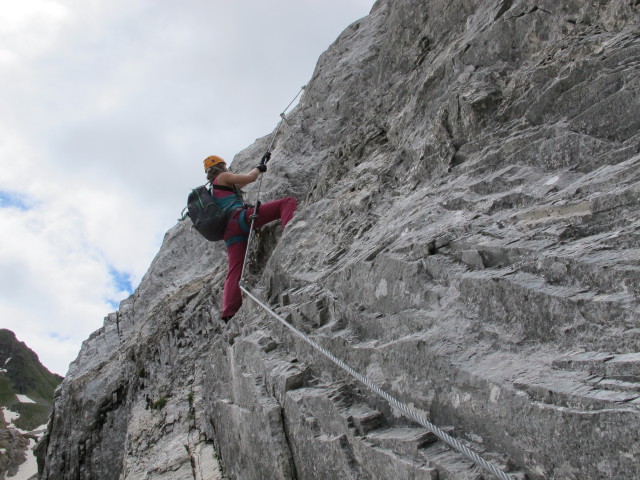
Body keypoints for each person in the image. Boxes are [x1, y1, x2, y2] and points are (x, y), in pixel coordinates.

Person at [203, 155, 297, 321]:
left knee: (234, 270)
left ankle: (228, 311)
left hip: (229, 233)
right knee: (287, 202)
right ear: (222, 166)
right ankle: (290, 232)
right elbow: (250, 178)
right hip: (239, 220)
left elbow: (242, 183)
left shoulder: (214, 189)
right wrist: (259, 167)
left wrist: (259, 166)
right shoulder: (223, 177)